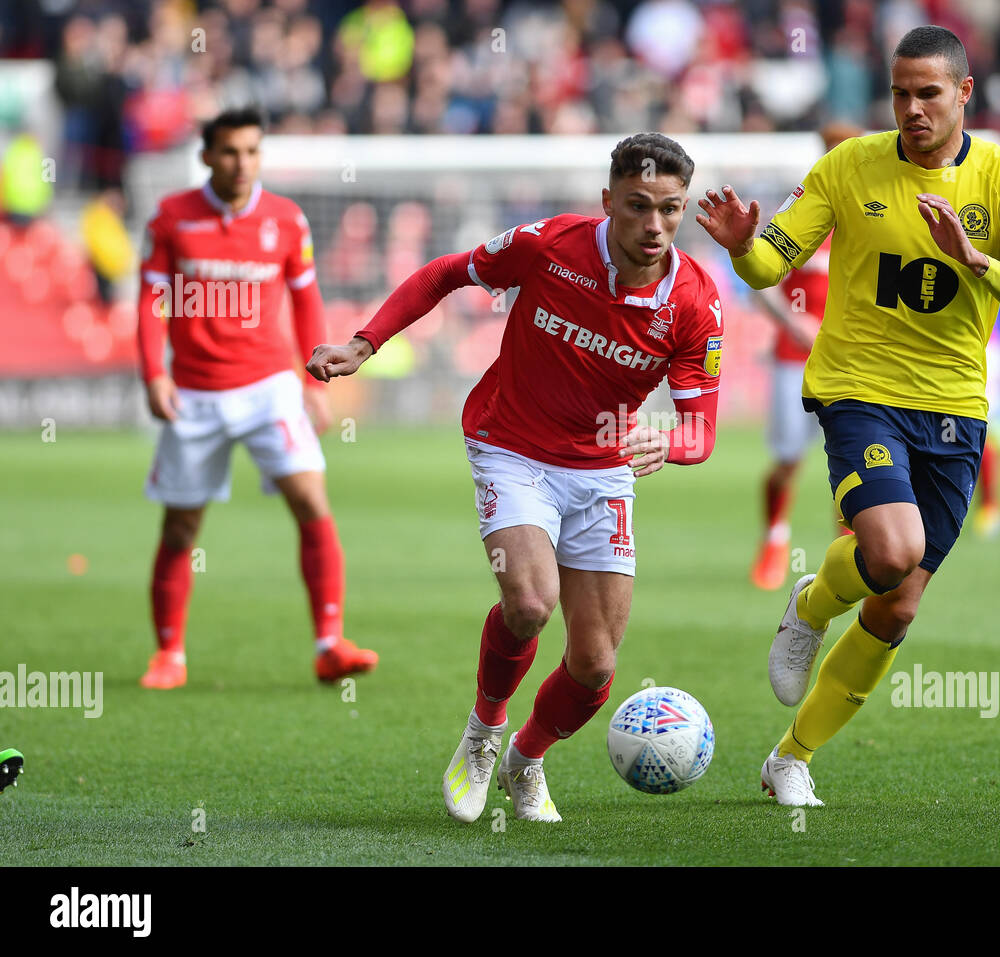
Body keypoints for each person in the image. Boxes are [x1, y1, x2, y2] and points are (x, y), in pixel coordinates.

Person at [306, 133, 724, 823]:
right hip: (512, 447)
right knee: (531, 601)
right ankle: (483, 730)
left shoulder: (694, 305)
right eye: (638, 206)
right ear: (607, 201)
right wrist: (365, 342)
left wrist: (669, 442)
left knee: (594, 666)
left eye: (671, 210)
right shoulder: (549, 246)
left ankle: (525, 761)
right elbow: (446, 272)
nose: (654, 225)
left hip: (603, 471)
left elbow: (700, 429)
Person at [697, 25, 1000, 806]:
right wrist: (740, 246)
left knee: (898, 604)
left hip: (955, 408)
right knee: (892, 551)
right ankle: (810, 604)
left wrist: (976, 258)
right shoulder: (849, 164)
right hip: (859, 390)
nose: (911, 108)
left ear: (964, 94)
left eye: (928, 93)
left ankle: (790, 757)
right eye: (900, 93)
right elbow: (770, 260)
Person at [136, 107, 378, 690]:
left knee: (311, 502)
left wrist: (313, 378)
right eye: (228, 152)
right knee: (180, 529)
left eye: (251, 151)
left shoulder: (286, 220)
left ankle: (329, 643)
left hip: (271, 386)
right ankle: (169, 653)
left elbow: (305, 299)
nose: (241, 163)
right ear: (206, 157)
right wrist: (154, 375)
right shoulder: (172, 218)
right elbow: (150, 303)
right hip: (195, 393)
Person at [750, 123, 860, 591]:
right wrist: (791, 322)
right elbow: (759, 278)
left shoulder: (872, 218)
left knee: (856, 460)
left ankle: (854, 553)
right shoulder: (802, 214)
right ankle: (775, 540)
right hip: (794, 357)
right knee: (789, 459)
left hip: (851, 362)